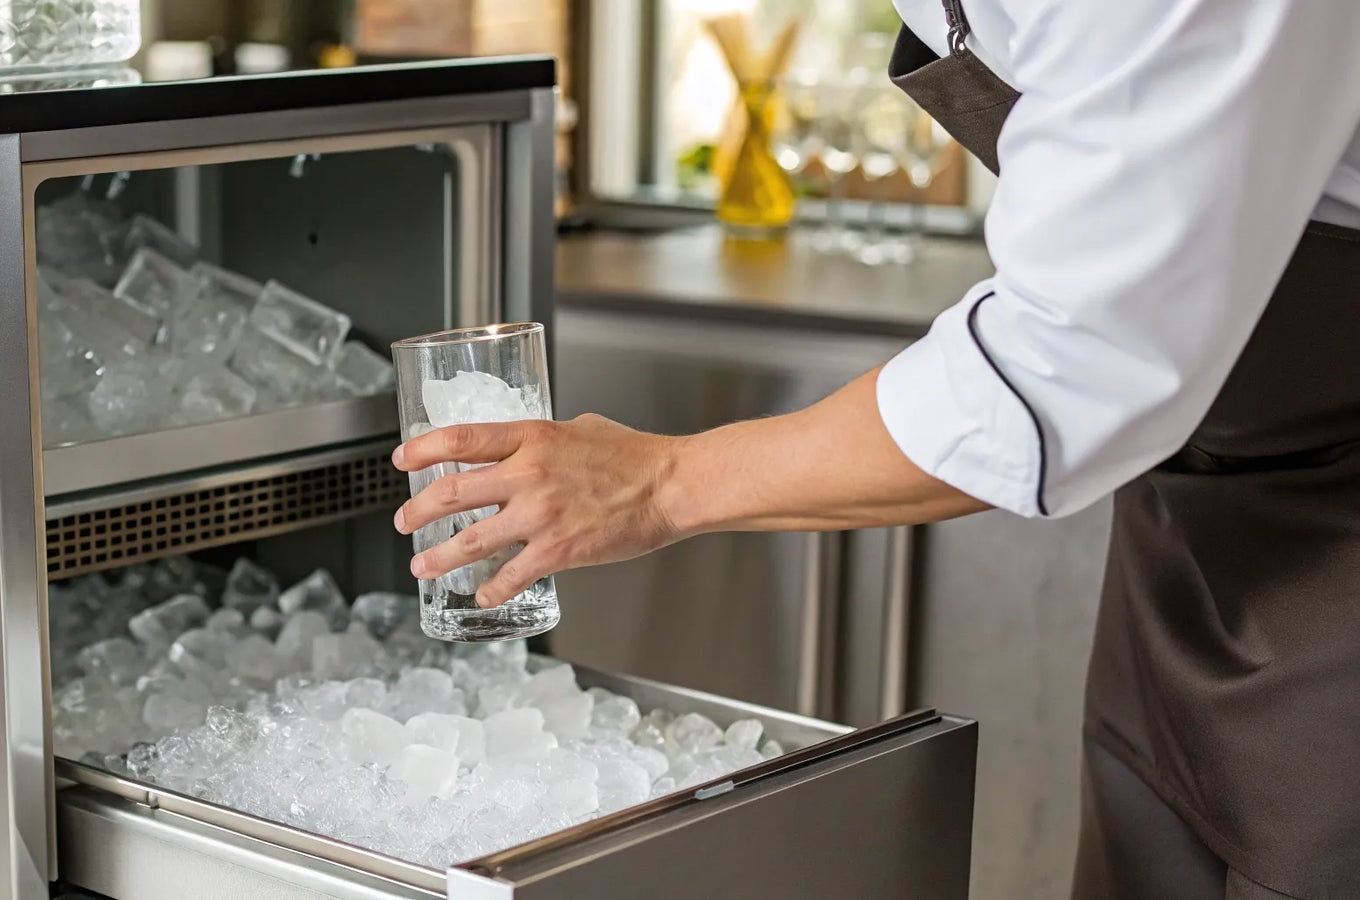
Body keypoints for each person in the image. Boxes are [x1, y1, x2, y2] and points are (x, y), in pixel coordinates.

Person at [392, 2, 1360, 898]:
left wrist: (662, 484)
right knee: (1148, 854)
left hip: (1337, 515)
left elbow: (1073, 364)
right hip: (1202, 487)